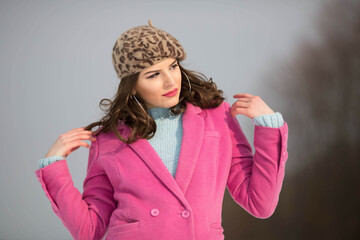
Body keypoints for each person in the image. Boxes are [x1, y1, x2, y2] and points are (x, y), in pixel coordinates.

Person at [35, 20, 289, 240]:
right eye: (153, 74)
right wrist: (54, 166)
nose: (170, 81)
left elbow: (260, 203)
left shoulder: (216, 116)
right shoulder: (109, 139)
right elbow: (89, 230)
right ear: (132, 86)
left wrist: (269, 125)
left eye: (172, 66)